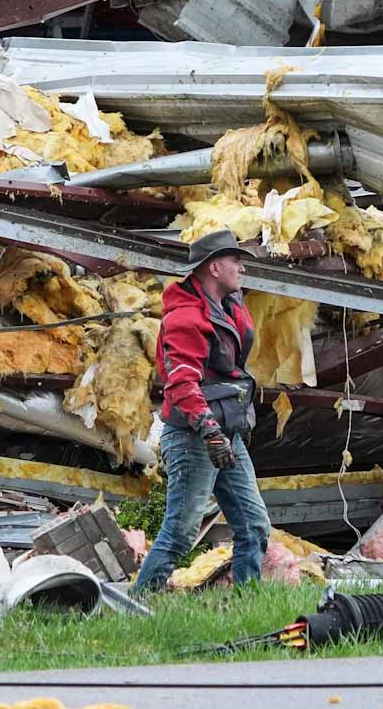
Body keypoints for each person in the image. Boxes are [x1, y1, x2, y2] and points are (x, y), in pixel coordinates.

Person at [132, 229, 272, 594]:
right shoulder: (185, 319)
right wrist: (209, 431)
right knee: (180, 533)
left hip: (227, 433)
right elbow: (180, 383)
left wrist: (222, 433)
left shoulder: (229, 305)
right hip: (197, 437)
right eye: (235, 260)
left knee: (254, 526)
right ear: (213, 267)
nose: (241, 267)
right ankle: (136, 606)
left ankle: (248, 605)